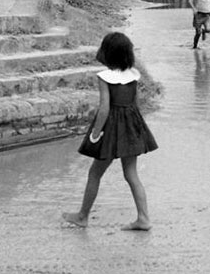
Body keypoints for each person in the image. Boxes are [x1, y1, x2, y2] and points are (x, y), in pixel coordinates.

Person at [62, 31, 157, 231]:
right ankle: (143, 218)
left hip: (112, 129)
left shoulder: (104, 77)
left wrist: (95, 133)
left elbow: (104, 108)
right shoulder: (133, 75)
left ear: (107, 53)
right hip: (131, 126)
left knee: (95, 172)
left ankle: (82, 216)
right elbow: (135, 103)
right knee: (131, 174)